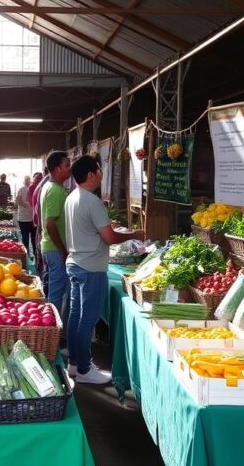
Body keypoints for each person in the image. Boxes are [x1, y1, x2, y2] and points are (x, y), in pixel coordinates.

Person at [64, 155, 144, 383]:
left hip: (76, 263)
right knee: (87, 320)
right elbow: (109, 238)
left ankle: (74, 363)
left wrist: (109, 228)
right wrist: (134, 234)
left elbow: (92, 229)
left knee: (76, 316)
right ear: (91, 174)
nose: (101, 174)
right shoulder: (92, 201)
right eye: (99, 170)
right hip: (91, 267)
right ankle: (85, 369)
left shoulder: (72, 197)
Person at [39, 152, 71, 328]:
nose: (70, 168)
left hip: (51, 248)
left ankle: (54, 330)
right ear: (57, 169)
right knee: (56, 295)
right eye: (67, 165)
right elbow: (50, 223)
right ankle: (54, 333)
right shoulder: (55, 190)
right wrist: (62, 250)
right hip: (54, 249)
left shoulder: (51, 187)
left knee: (56, 292)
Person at [31, 168, 50, 275]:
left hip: (39, 224)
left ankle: (41, 271)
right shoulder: (46, 185)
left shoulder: (41, 185)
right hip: (43, 227)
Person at [16, 175, 35, 258]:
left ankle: (33, 254)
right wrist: (27, 206)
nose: (28, 181)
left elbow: (18, 201)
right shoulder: (22, 189)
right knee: (26, 238)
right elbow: (18, 201)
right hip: (24, 218)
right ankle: (27, 255)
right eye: (27, 180)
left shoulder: (32, 188)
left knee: (32, 238)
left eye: (28, 180)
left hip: (30, 218)